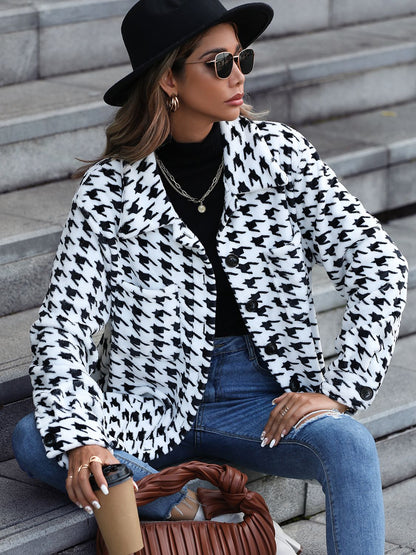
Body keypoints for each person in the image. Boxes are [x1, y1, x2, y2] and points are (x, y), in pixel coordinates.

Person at [13, 0, 408, 553]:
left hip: (261, 400)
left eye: (242, 58)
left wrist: (339, 389)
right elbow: (63, 325)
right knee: (38, 438)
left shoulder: (279, 155)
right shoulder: (110, 190)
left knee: (349, 444)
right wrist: (81, 441)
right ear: (169, 79)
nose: (238, 75)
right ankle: (200, 507)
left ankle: (179, 497)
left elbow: (378, 262)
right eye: (220, 63)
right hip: (149, 403)